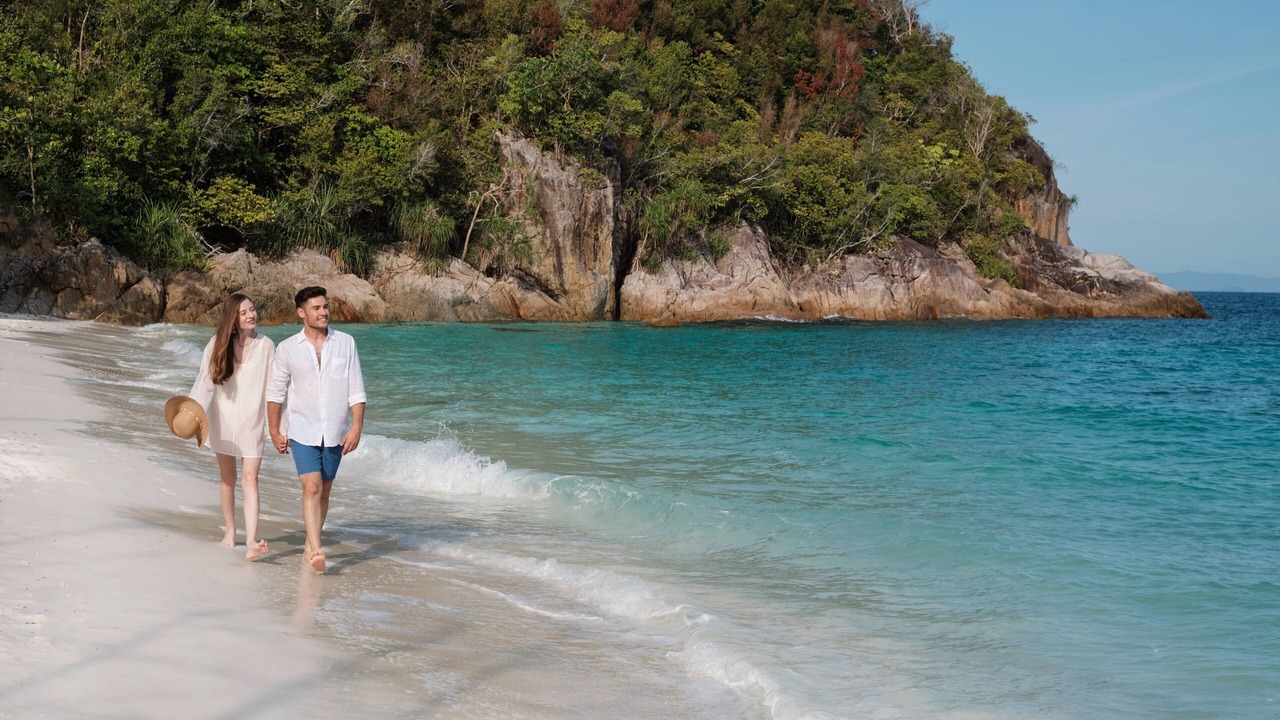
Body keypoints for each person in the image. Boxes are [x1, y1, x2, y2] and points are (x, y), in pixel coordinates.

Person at [267, 286, 366, 574]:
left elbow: (356, 390)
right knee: (310, 487)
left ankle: (309, 548)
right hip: (301, 429)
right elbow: (275, 393)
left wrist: (356, 426)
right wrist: (274, 430)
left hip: (335, 430)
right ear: (301, 313)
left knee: (324, 490)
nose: (323, 312)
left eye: (325, 307)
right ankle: (316, 548)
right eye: (316, 308)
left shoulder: (346, 342)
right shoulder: (287, 348)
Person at [189, 293, 276, 561]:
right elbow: (205, 382)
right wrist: (193, 415)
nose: (251, 315)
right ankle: (230, 530)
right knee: (228, 479)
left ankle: (251, 539)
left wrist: (278, 426)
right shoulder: (216, 344)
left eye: (252, 309)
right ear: (233, 319)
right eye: (244, 312)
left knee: (251, 478)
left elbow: (274, 389)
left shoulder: (267, 346)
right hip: (222, 418)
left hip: (252, 420)